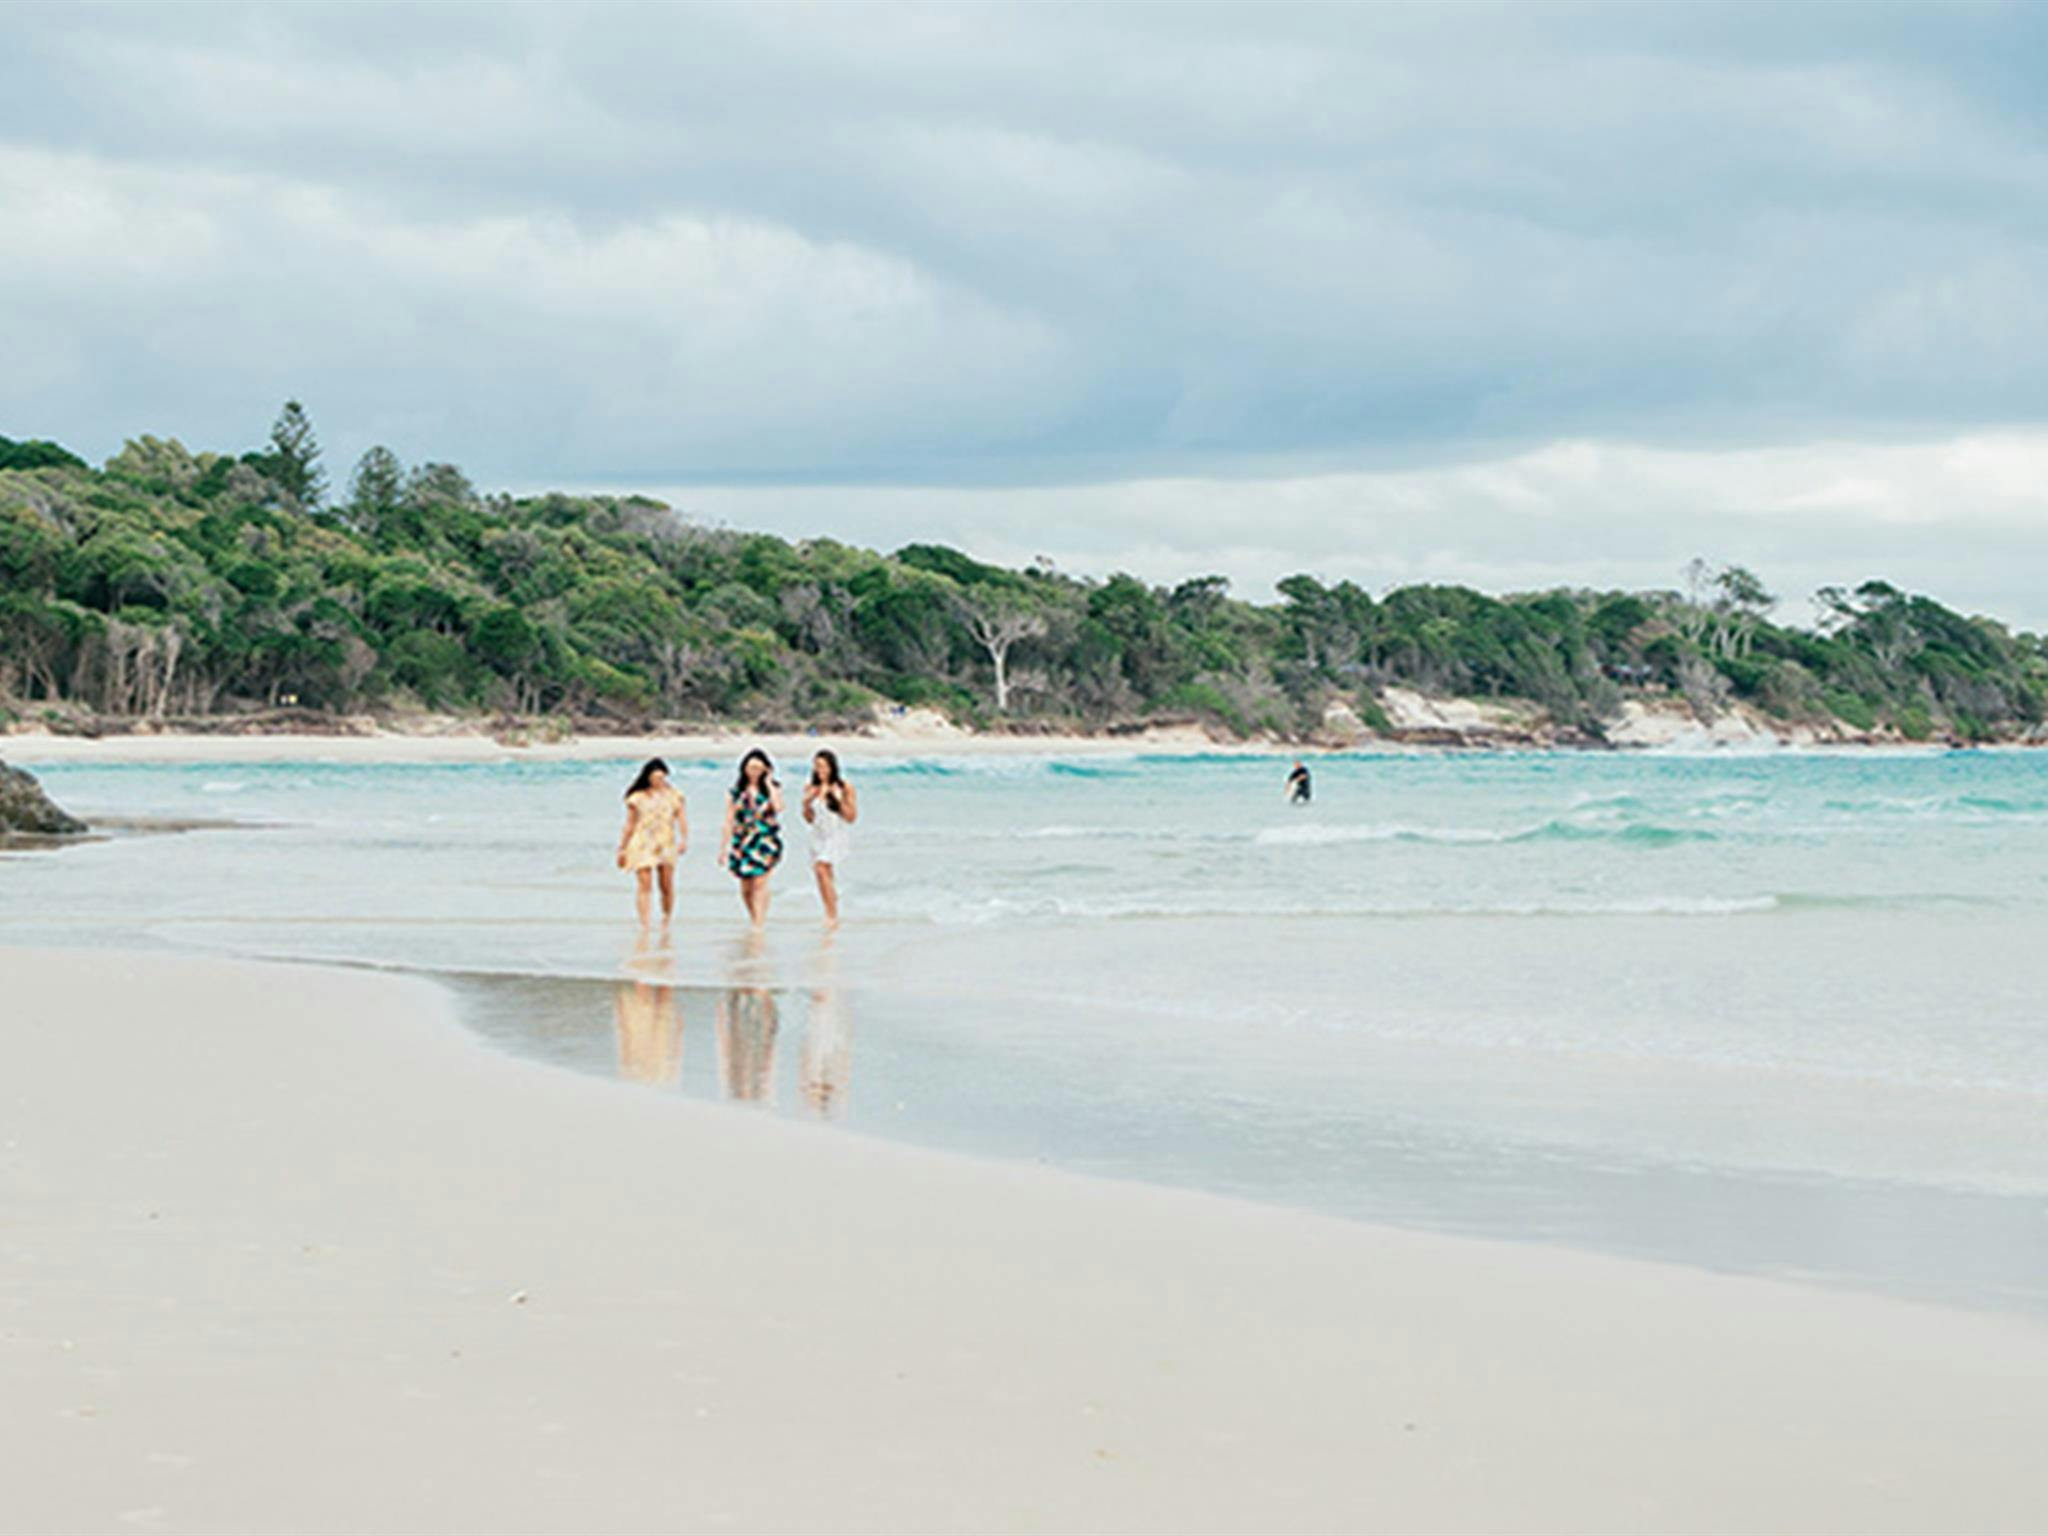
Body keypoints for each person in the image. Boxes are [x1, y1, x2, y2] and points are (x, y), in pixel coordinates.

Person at [616, 758, 687, 927]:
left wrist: (684, 839)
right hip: (642, 842)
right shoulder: (637, 798)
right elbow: (630, 824)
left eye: (662, 778)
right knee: (644, 885)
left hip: (665, 842)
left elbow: (681, 819)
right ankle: (645, 923)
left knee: (666, 885)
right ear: (647, 777)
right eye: (655, 778)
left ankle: (666, 919)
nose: (659, 782)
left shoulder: (675, 796)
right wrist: (622, 848)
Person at [722, 748, 785, 926]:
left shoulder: (772, 789)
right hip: (742, 842)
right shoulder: (735, 792)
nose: (754, 772)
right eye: (751, 768)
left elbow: (779, 808)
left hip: (765, 841)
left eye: (758, 768)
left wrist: (769, 782)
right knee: (746, 887)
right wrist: (723, 848)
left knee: (760, 883)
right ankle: (753, 916)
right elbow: (728, 821)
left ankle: (759, 922)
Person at [800, 748, 858, 927]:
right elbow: (809, 819)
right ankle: (832, 911)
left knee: (821, 868)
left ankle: (831, 915)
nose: (821, 770)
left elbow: (851, 817)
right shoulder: (811, 787)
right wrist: (806, 803)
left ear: (833, 767)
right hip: (818, 835)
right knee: (824, 875)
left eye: (824, 766)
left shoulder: (844, 787)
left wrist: (835, 799)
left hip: (836, 834)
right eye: (817, 766)